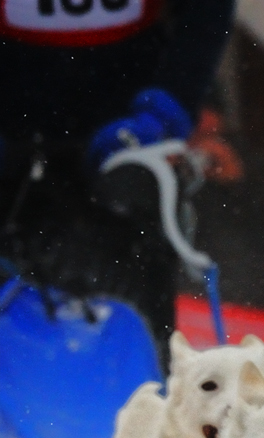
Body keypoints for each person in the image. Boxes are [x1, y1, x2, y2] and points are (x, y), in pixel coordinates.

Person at [0, 0, 236, 371]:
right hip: (16, 140)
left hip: (126, 144)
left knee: (135, 339)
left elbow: (205, 14)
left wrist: (163, 113)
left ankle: (146, 401)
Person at [185, 105, 264, 309]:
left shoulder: (250, 161)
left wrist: (239, 181)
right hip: (185, 296)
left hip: (244, 296)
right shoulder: (167, 163)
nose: (199, 122)